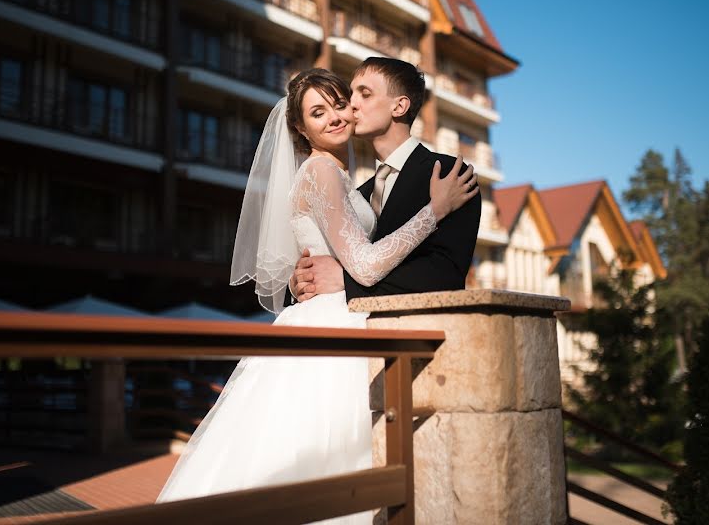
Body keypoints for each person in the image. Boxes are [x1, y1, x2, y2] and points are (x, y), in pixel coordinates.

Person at [155, 68, 477, 522]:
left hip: (349, 320)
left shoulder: (360, 182)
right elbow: (363, 264)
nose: (338, 115)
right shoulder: (323, 171)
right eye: (317, 112)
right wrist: (435, 210)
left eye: (342, 101)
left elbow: (424, 269)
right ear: (301, 129)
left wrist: (306, 278)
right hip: (336, 332)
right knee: (330, 460)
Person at [289, 57, 481, 304]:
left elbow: (445, 276)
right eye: (350, 94)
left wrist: (344, 282)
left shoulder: (447, 174)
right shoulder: (359, 192)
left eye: (364, 94)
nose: (351, 104)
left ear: (399, 107)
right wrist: (299, 283)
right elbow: (321, 266)